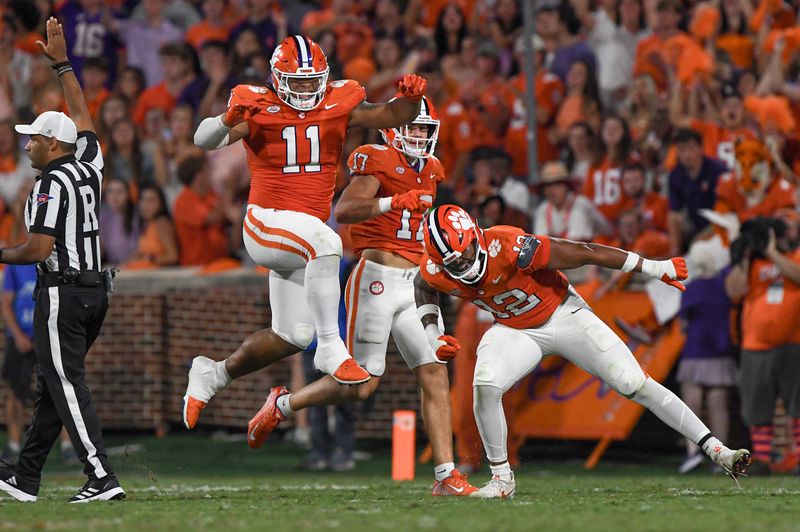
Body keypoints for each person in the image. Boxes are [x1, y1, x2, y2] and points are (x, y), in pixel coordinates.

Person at [415, 204, 751, 498]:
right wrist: (433, 334)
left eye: (465, 255)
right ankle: (502, 480)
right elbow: (423, 285)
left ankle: (717, 450)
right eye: (452, 262)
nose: (461, 266)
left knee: (634, 383)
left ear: (475, 235)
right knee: (485, 386)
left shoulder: (510, 245)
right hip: (513, 330)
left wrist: (654, 267)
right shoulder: (436, 268)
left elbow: (585, 251)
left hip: (564, 315)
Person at [184, 35, 428, 429]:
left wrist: (411, 101)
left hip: (302, 237)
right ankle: (331, 350)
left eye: (311, 80)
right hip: (267, 221)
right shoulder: (255, 102)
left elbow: (388, 115)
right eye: (295, 82)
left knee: (293, 334)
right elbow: (202, 140)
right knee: (328, 242)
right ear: (277, 79)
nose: (304, 88)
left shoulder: (341, 99)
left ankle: (214, 373)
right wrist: (227, 120)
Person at [245, 97, 477, 496]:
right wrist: (392, 201)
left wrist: (434, 322)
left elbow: (422, 237)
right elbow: (347, 208)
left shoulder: (433, 170)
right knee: (364, 383)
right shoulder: (375, 158)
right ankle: (283, 405)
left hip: (413, 280)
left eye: (425, 128)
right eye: (413, 126)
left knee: (435, 372)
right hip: (375, 280)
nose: (419, 135)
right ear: (393, 127)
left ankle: (446, 477)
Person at [0, 17, 124, 503]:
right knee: (54, 385)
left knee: (66, 384)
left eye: (33, 137)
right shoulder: (88, 163)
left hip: (63, 291)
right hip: (94, 291)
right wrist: (64, 66)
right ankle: (26, 477)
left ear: (53, 144)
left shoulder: (50, 182)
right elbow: (84, 117)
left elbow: (37, 249)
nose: (27, 143)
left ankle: (101, 476)